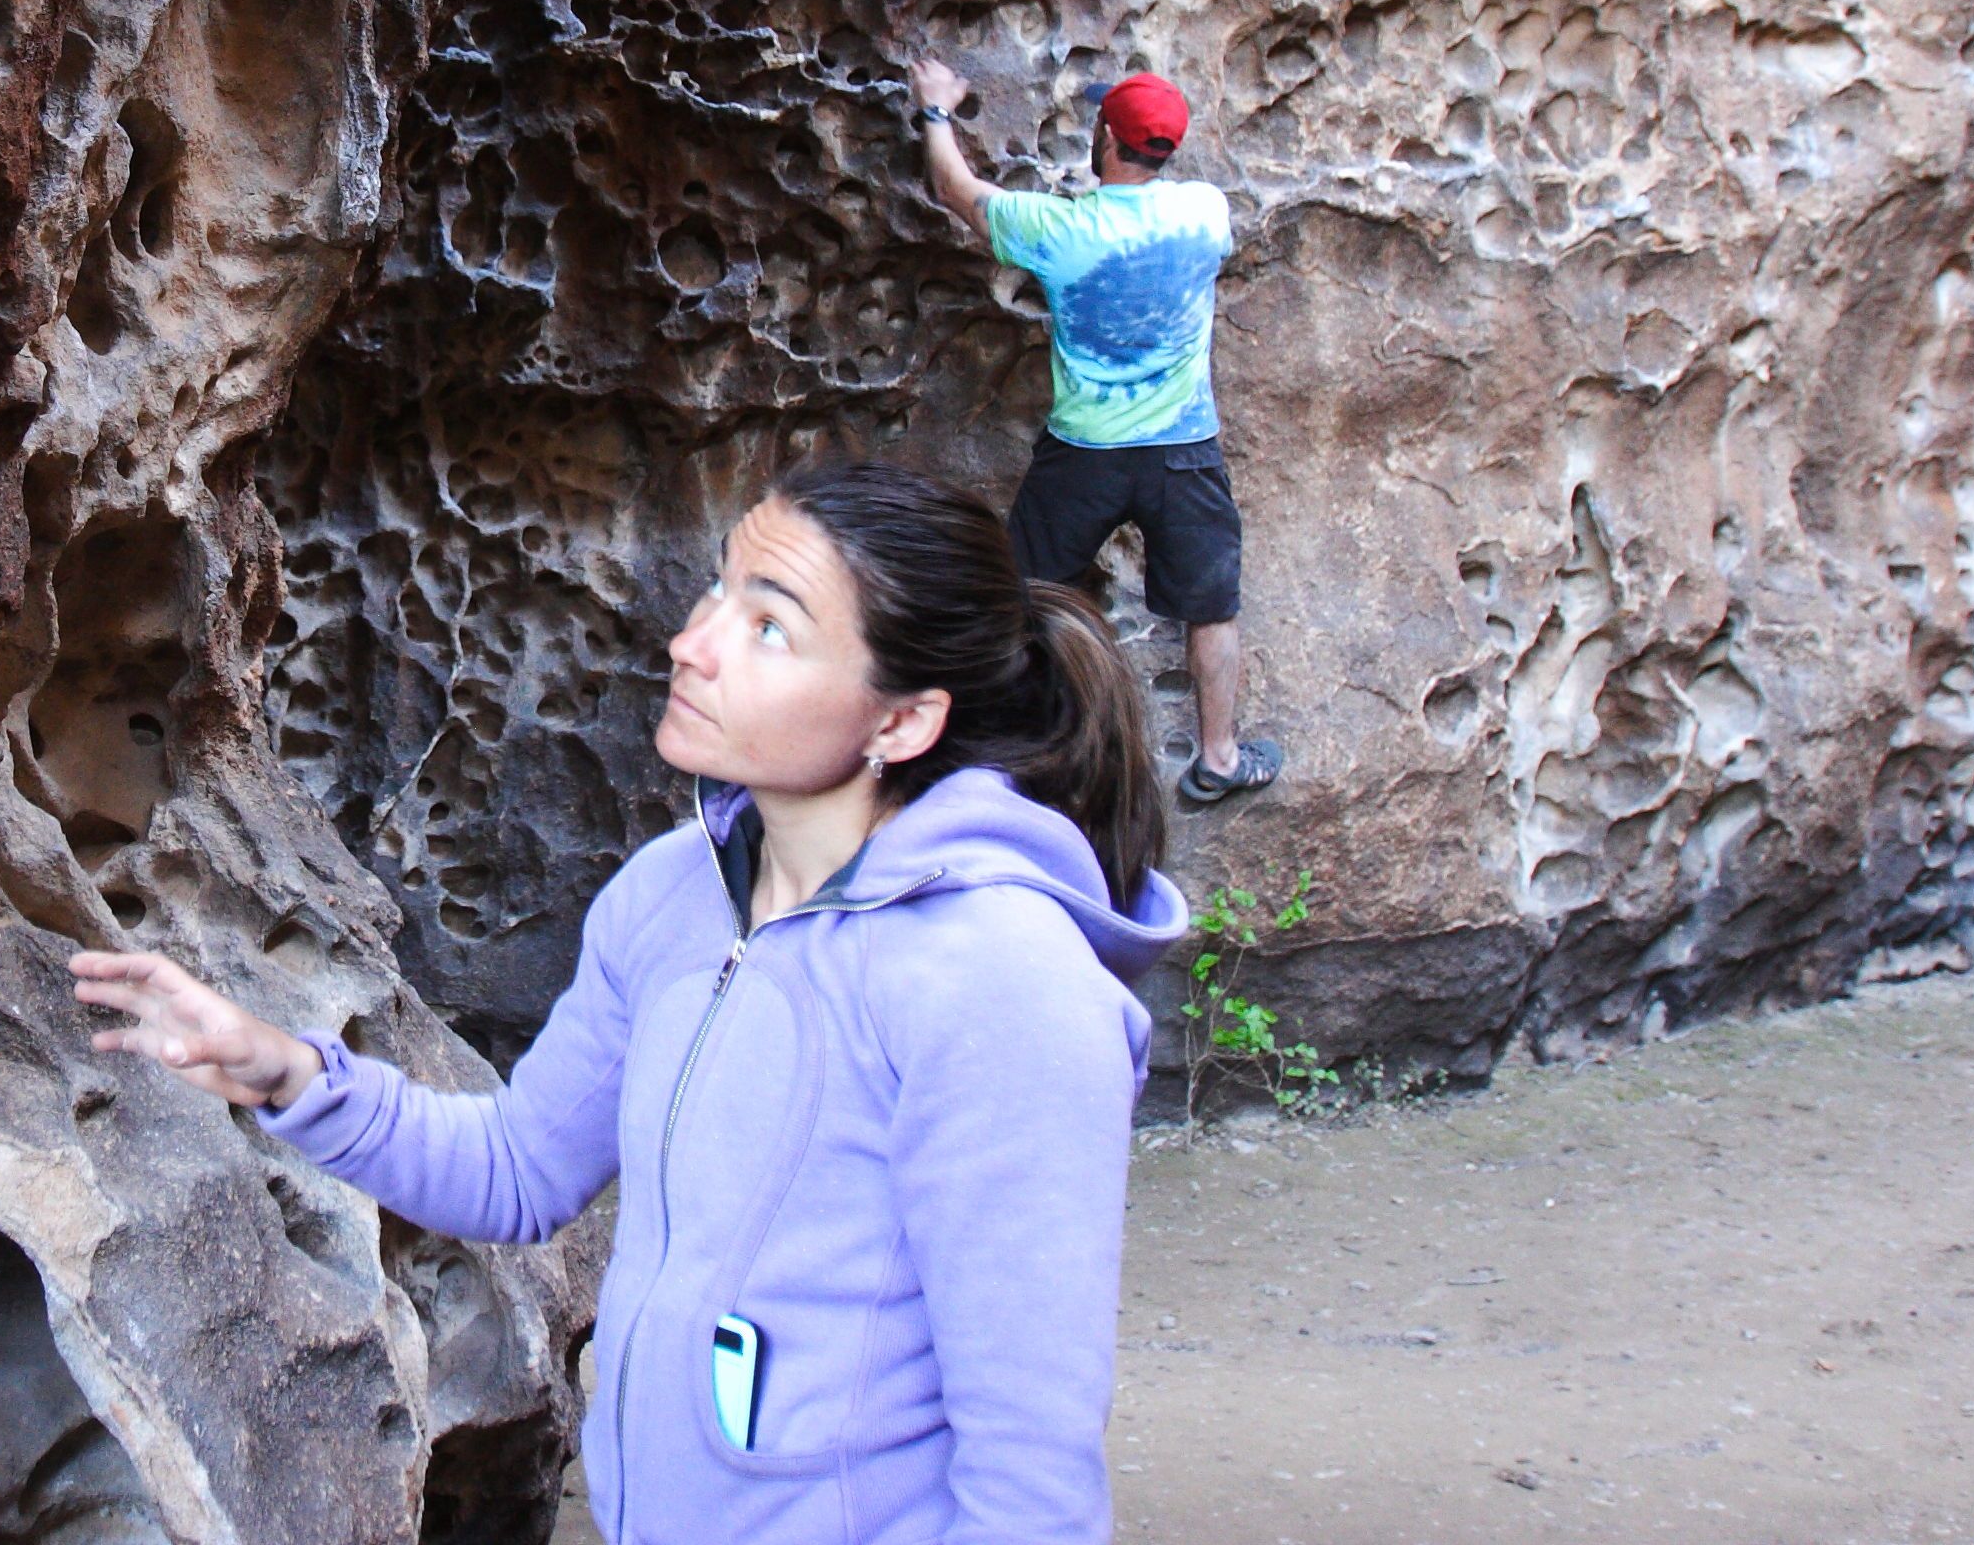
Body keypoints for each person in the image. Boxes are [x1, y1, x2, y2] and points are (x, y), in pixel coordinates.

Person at [74, 455, 1184, 1545]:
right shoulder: (672, 894)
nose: (691, 643)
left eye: (769, 626)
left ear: (902, 721)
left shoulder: (999, 978)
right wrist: (291, 1074)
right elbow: (518, 1169)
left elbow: (1032, 1473)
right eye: (719, 587)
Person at [907, 54, 1282, 805]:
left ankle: (997, 753)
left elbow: (956, 190)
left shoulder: (1058, 229)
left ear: (1106, 138)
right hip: (1183, 451)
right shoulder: (1204, 213)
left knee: (1019, 598)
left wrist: (935, 109)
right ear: (1168, 149)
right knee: (1212, 605)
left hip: (1083, 456)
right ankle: (1218, 759)